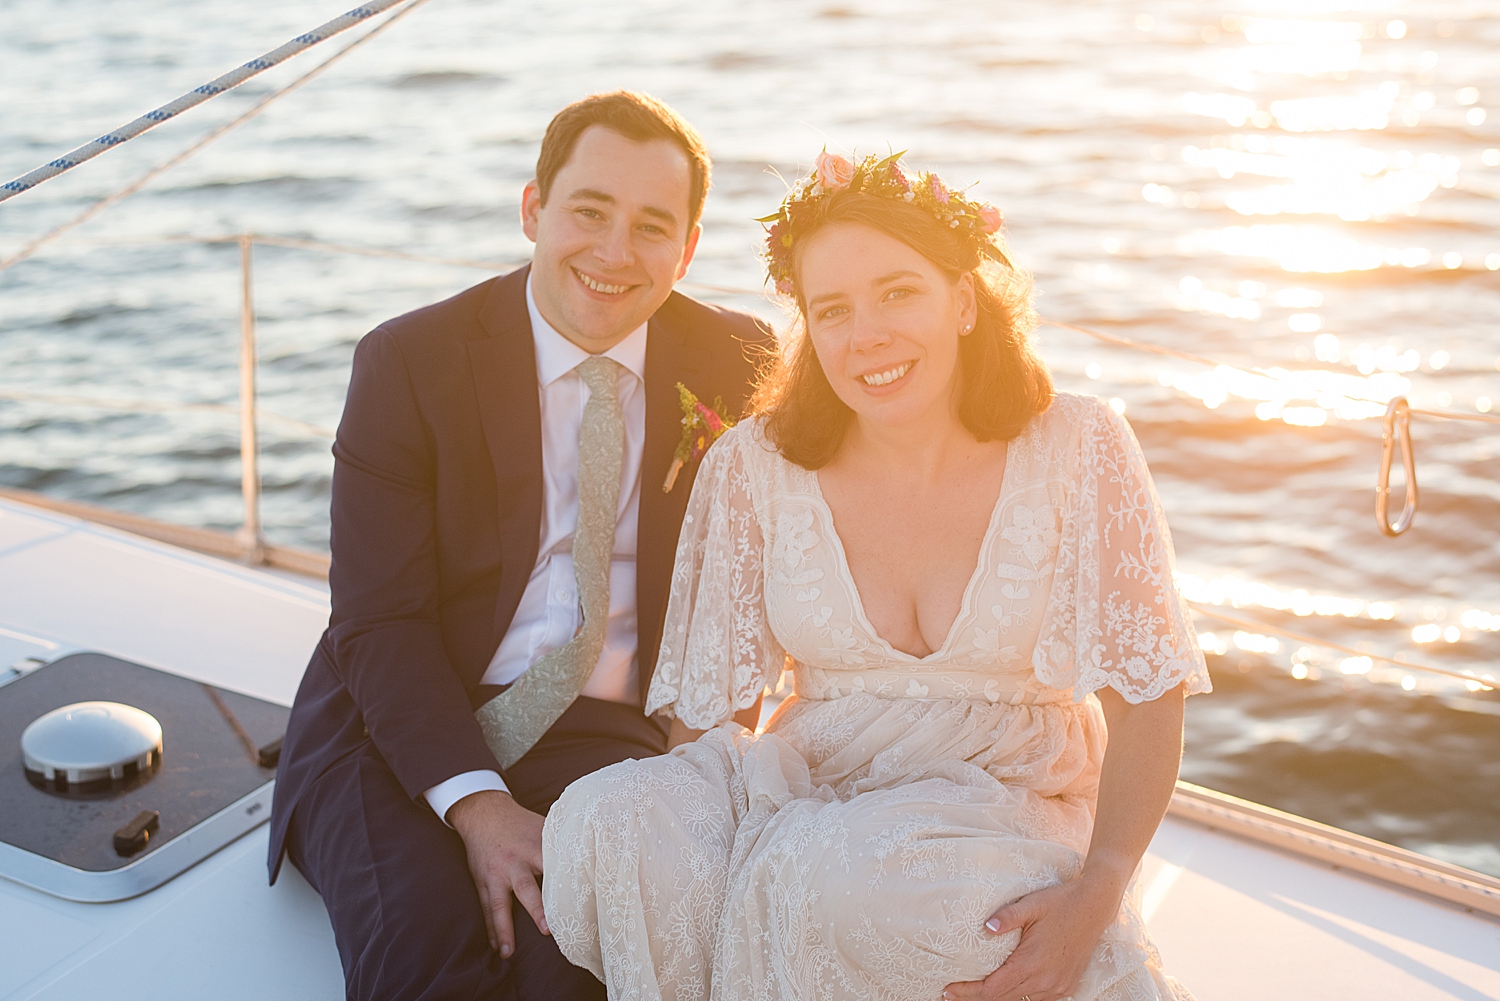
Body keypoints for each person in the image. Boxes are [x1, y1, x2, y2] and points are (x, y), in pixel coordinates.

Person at [541, 150, 1211, 1001]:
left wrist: (1099, 889)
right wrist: (692, 864)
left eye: (898, 292)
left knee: (865, 889)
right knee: (611, 816)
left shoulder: (1080, 446)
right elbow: (707, 730)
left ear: (963, 301)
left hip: (1004, 800)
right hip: (812, 790)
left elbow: (1148, 695)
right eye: (834, 310)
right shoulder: (754, 465)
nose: (868, 337)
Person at [266, 91, 769, 1000]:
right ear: (533, 208)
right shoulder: (409, 361)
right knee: (422, 959)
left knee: (575, 967)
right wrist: (481, 806)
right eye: (588, 211)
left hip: (604, 733)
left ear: (688, 248)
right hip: (397, 721)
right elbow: (380, 622)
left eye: (652, 226)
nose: (615, 254)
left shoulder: (738, 361)